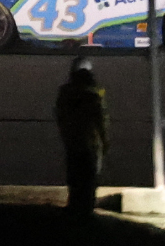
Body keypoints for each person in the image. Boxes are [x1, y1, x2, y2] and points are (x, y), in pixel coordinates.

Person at [55, 56, 109, 218]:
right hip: (91, 142)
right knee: (90, 177)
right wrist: (105, 141)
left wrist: (65, 134)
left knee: (74, 176)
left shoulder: (65, 92)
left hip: (72, 141)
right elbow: (101, 119)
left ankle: (74, 207)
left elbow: (60, 116)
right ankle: (87, 210)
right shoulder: (95, 92)